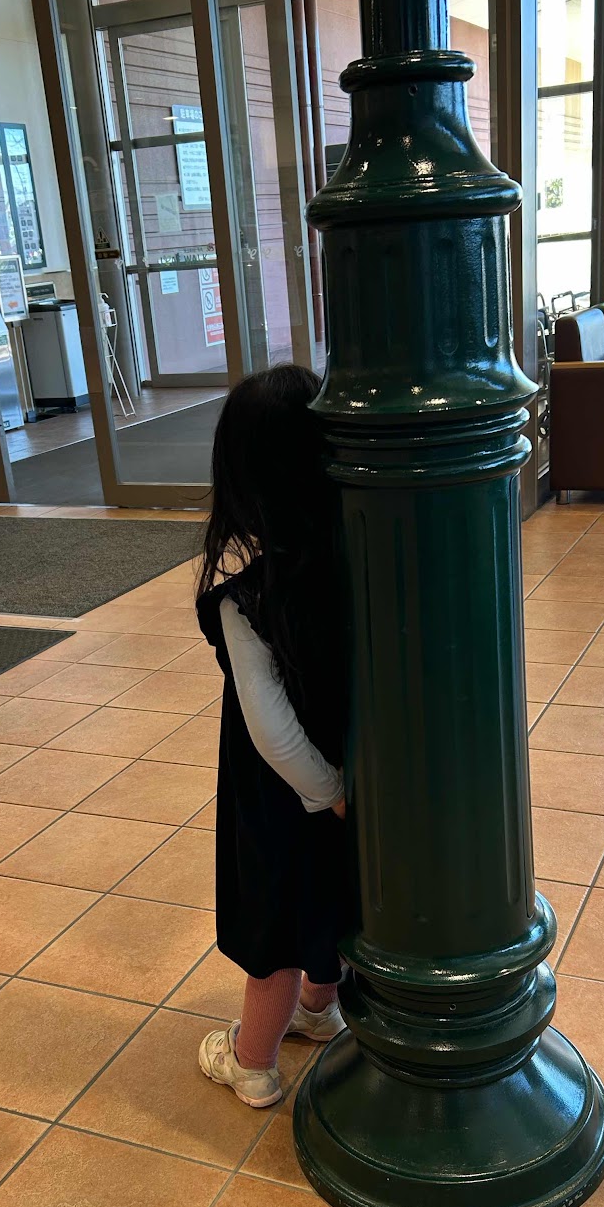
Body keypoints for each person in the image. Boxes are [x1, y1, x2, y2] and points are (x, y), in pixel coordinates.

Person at [194, 363, 349, 1108]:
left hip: (282, 801)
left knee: (274, 941)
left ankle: (252, 1063)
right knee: (329, 907)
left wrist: (324, 790)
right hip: (345, 787)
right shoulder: (357, 565)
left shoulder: (244, 600)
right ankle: (321, 1011)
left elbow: (270, 729)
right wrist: (344, 790)